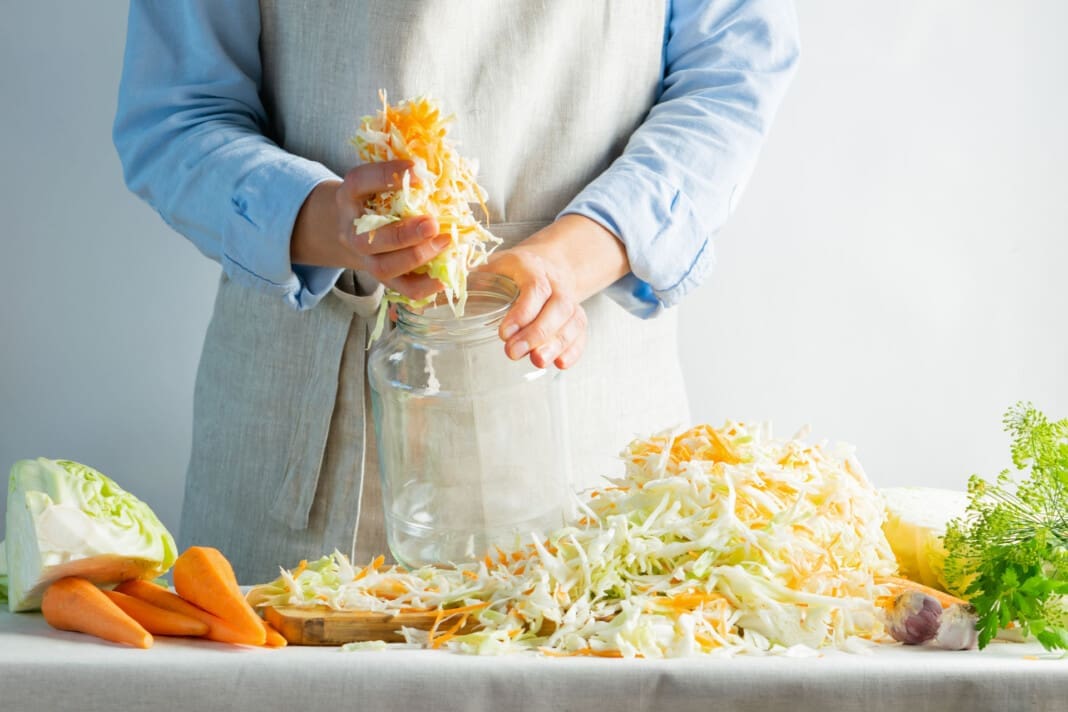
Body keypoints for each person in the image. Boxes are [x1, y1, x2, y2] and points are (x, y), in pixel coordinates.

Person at [114, 0, 800, 584]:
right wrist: (330, 223)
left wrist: (575, 257)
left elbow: (732, 75)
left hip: (593, 418)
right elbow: (174, 116)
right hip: (303, 442)